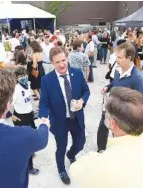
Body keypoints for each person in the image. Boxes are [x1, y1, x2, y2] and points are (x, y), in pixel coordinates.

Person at [70, 87, 143, 188]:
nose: (104, 113)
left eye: (105, 111)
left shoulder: (101, 167)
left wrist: (93, 157)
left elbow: (74, 171)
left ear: (113, 123)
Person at [39, 46, 90, 185]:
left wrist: (82, 100)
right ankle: (61, 169)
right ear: (52, 62)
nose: (61, 64)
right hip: (59, 121)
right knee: (61, 147)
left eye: (63, 60)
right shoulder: (46, 80)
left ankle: (71, 154)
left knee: (80, 144)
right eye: (57, 62)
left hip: (76, 118)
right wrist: (43, 116)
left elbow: (86, 91)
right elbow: (44, 102)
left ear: (67, 58)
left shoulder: (77, 73)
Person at [98, 42, 143, 152]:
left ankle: (116, 153)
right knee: (103, 127)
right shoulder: (117, 70)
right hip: (110, 106)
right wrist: (108, 87)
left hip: (122, 114)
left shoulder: (137, 78)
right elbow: (115, 83)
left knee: (118, 137)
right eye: (116, 57)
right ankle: (101, 149)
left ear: (129, 58)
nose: (117, 60)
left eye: (119, 57)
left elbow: (141, 101)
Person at [12, 67, 40, 175]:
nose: (23, 77)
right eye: (20, 76)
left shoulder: (27, 84)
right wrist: (10, 115)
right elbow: (7, 104)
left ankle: (29, 153)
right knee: (25, 142)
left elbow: (32, 93)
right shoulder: (15, 90)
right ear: (16, 78)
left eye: (24, 75)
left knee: (32, 135)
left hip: (29, 115)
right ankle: (29, 168)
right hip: (20, 117)